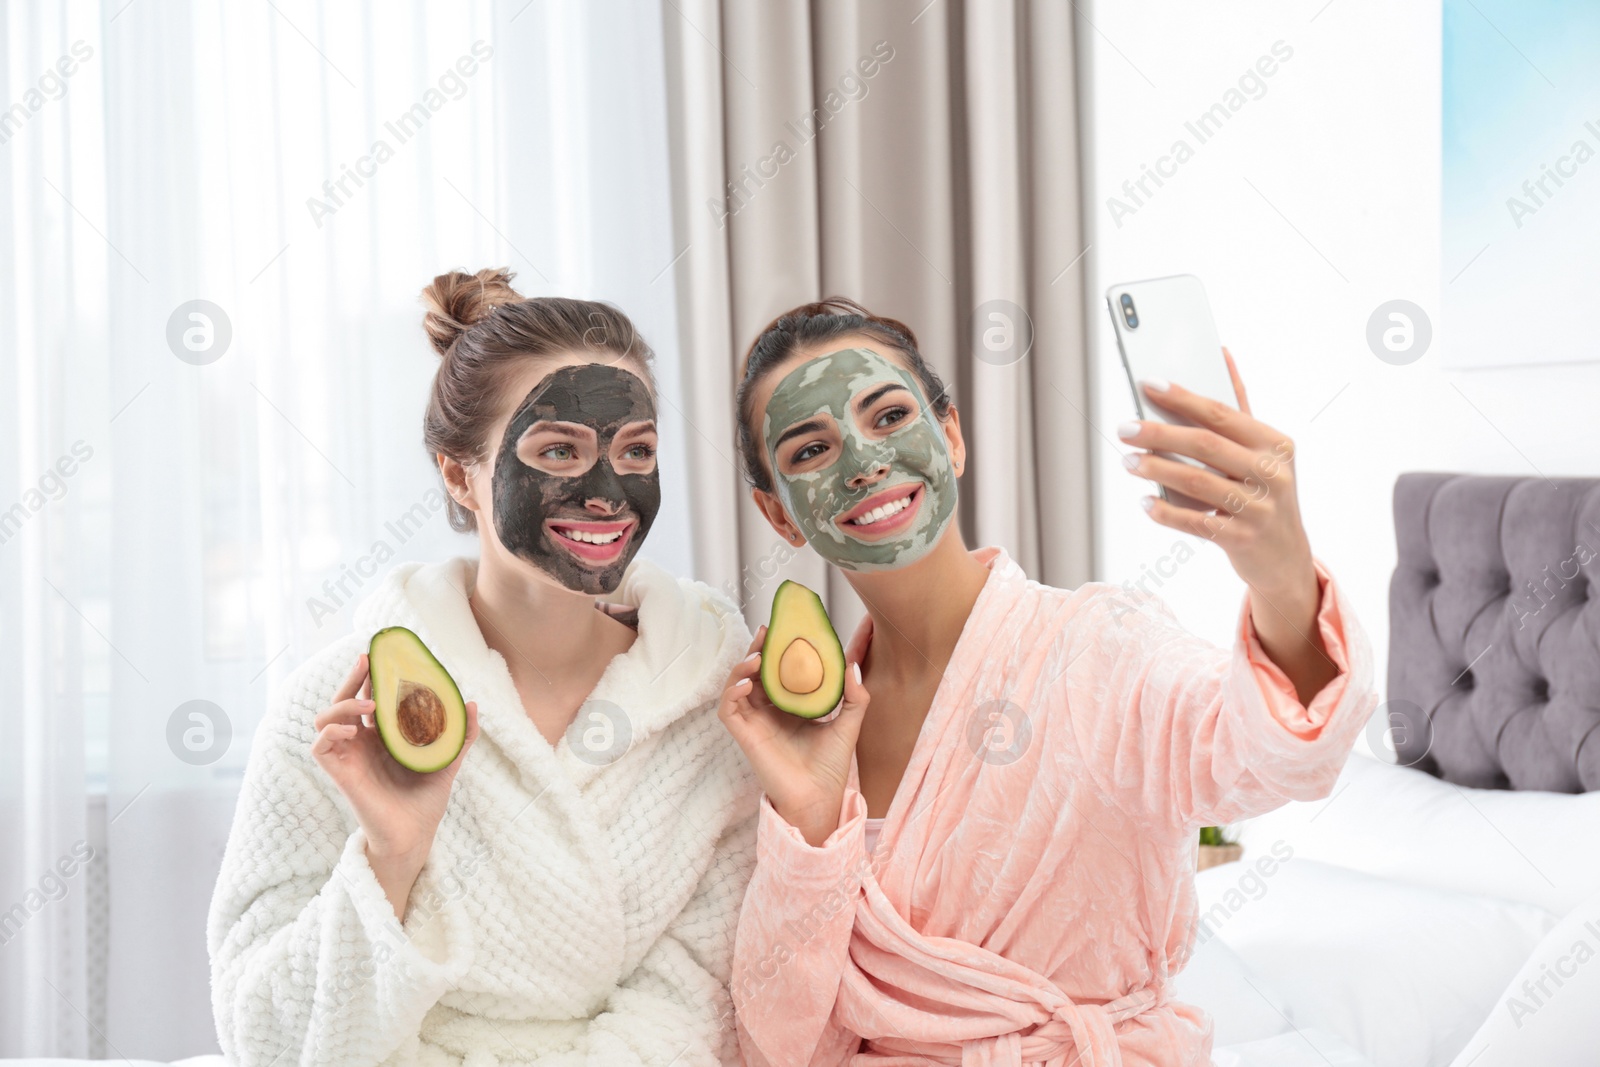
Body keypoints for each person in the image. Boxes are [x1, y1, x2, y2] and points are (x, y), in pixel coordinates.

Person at [716, 298, 1377, 1066]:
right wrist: (809, 816)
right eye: (809, 451)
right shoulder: (805, 733)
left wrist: (1281, 570)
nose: (863, 462)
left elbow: (1280, 756)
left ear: (951, 436)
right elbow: (781, 1045)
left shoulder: (1100, 648)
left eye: (889, 415)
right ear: (779, 515)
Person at [208, 268, 757, 1066]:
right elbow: (267, 1037)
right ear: (458, 474)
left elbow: (702, 991)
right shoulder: (335, 716)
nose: (608, 492)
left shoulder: (712, 704)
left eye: (636, 450)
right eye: (558, 450)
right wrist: (390, 856)